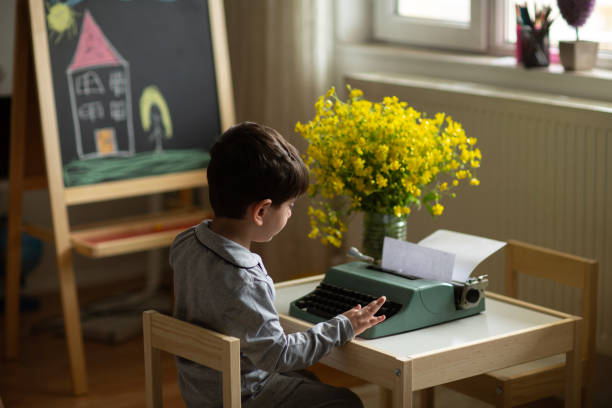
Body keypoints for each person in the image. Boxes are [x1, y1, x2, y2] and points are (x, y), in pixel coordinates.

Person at [170, 122, 387, 407]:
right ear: (261, 211)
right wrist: (342, 325)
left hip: (201, 389)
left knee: (308, 381)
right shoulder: (245, 279)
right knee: (345, 401)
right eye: (290, 206)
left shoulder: (185, 243)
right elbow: (279, 356)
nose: (290, 214)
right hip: (243, 395)